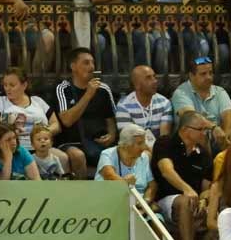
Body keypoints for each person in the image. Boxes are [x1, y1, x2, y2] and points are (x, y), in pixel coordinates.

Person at [154, 112, 215, 240]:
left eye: (206, 130)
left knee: (214, 210)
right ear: (185, 130)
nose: (204, 134)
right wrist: (187, 189)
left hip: (195, 199)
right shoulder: (165, 143)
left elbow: (206, 187)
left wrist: (204, 199)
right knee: (184, 201)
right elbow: (166, 171)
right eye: (201, 129)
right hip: (167, 199)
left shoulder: (204, 155)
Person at [52, 49, 117, 179]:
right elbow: (67, 120)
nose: (91, 67)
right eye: (86, 63)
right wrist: (88, 94)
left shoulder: (103, 89)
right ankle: (82, 194)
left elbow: (110, 120)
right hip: (73, 142)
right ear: (73, 66)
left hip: (99, 141)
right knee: (77, 156)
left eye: (92, 63)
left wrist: (111, 135)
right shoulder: (63, 89)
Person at [117, 65, 173, 139]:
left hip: (158, 147)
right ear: (137, 85)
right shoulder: (123, 106)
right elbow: (128, 139)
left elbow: (164, 137)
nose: (155, 81)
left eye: (154, 77)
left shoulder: (164, 103)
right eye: (148, 78)